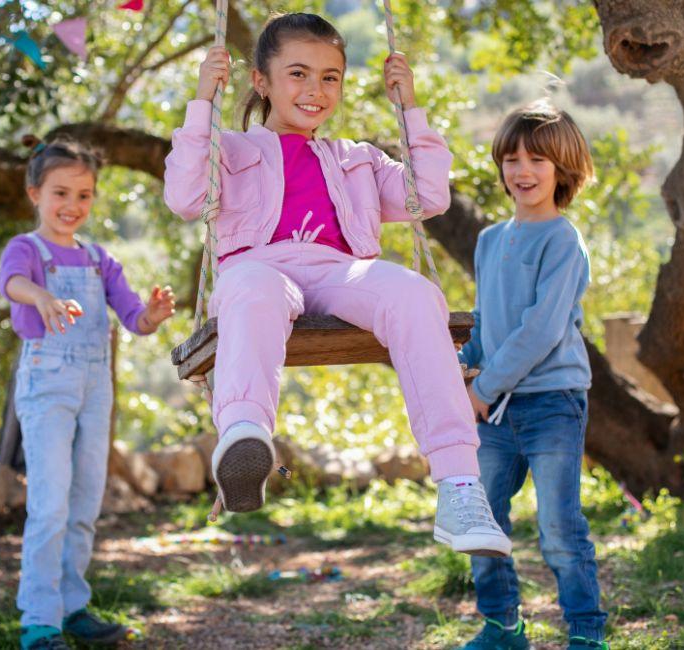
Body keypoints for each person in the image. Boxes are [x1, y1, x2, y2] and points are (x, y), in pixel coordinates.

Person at [163, 13, 509, 557]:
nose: (315, 90)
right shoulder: (227, 150)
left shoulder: (358, 159)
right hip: (258, 266)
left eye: (330, 77)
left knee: (416, 293)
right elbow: (185, 198)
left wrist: (410, 108)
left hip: (340, 272)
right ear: (261, 81)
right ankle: (244, 436)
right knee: (253, 290)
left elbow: (427, 198)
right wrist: (201, 103)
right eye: (298, 73)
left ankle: (460, 486)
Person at [0, 137, 175, 650]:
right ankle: (38, 620)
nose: (72, 206)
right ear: (34, 193)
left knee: (84, 502)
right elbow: (13, 284)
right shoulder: (26, 251)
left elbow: (134, 317)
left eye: (84, 195)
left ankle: (73, 606)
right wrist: (43, 296)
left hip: (96, 388)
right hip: (47, 383)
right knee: (50, 503)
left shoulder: (100, 260)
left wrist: (153, 315)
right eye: (60, 193)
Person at [457, 100, 607, 649]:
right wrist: (462, 372)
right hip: (493, 410)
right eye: (512, 158)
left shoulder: (564, 241)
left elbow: (541, 329)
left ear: (563, 170)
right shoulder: (489, 241)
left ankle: (587, 636)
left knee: (560, 531)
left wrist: (483, 385)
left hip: (552, 402)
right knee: (481, 520)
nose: (522, 171)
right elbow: (484, 325)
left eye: (538, 160)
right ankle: (503, 627)